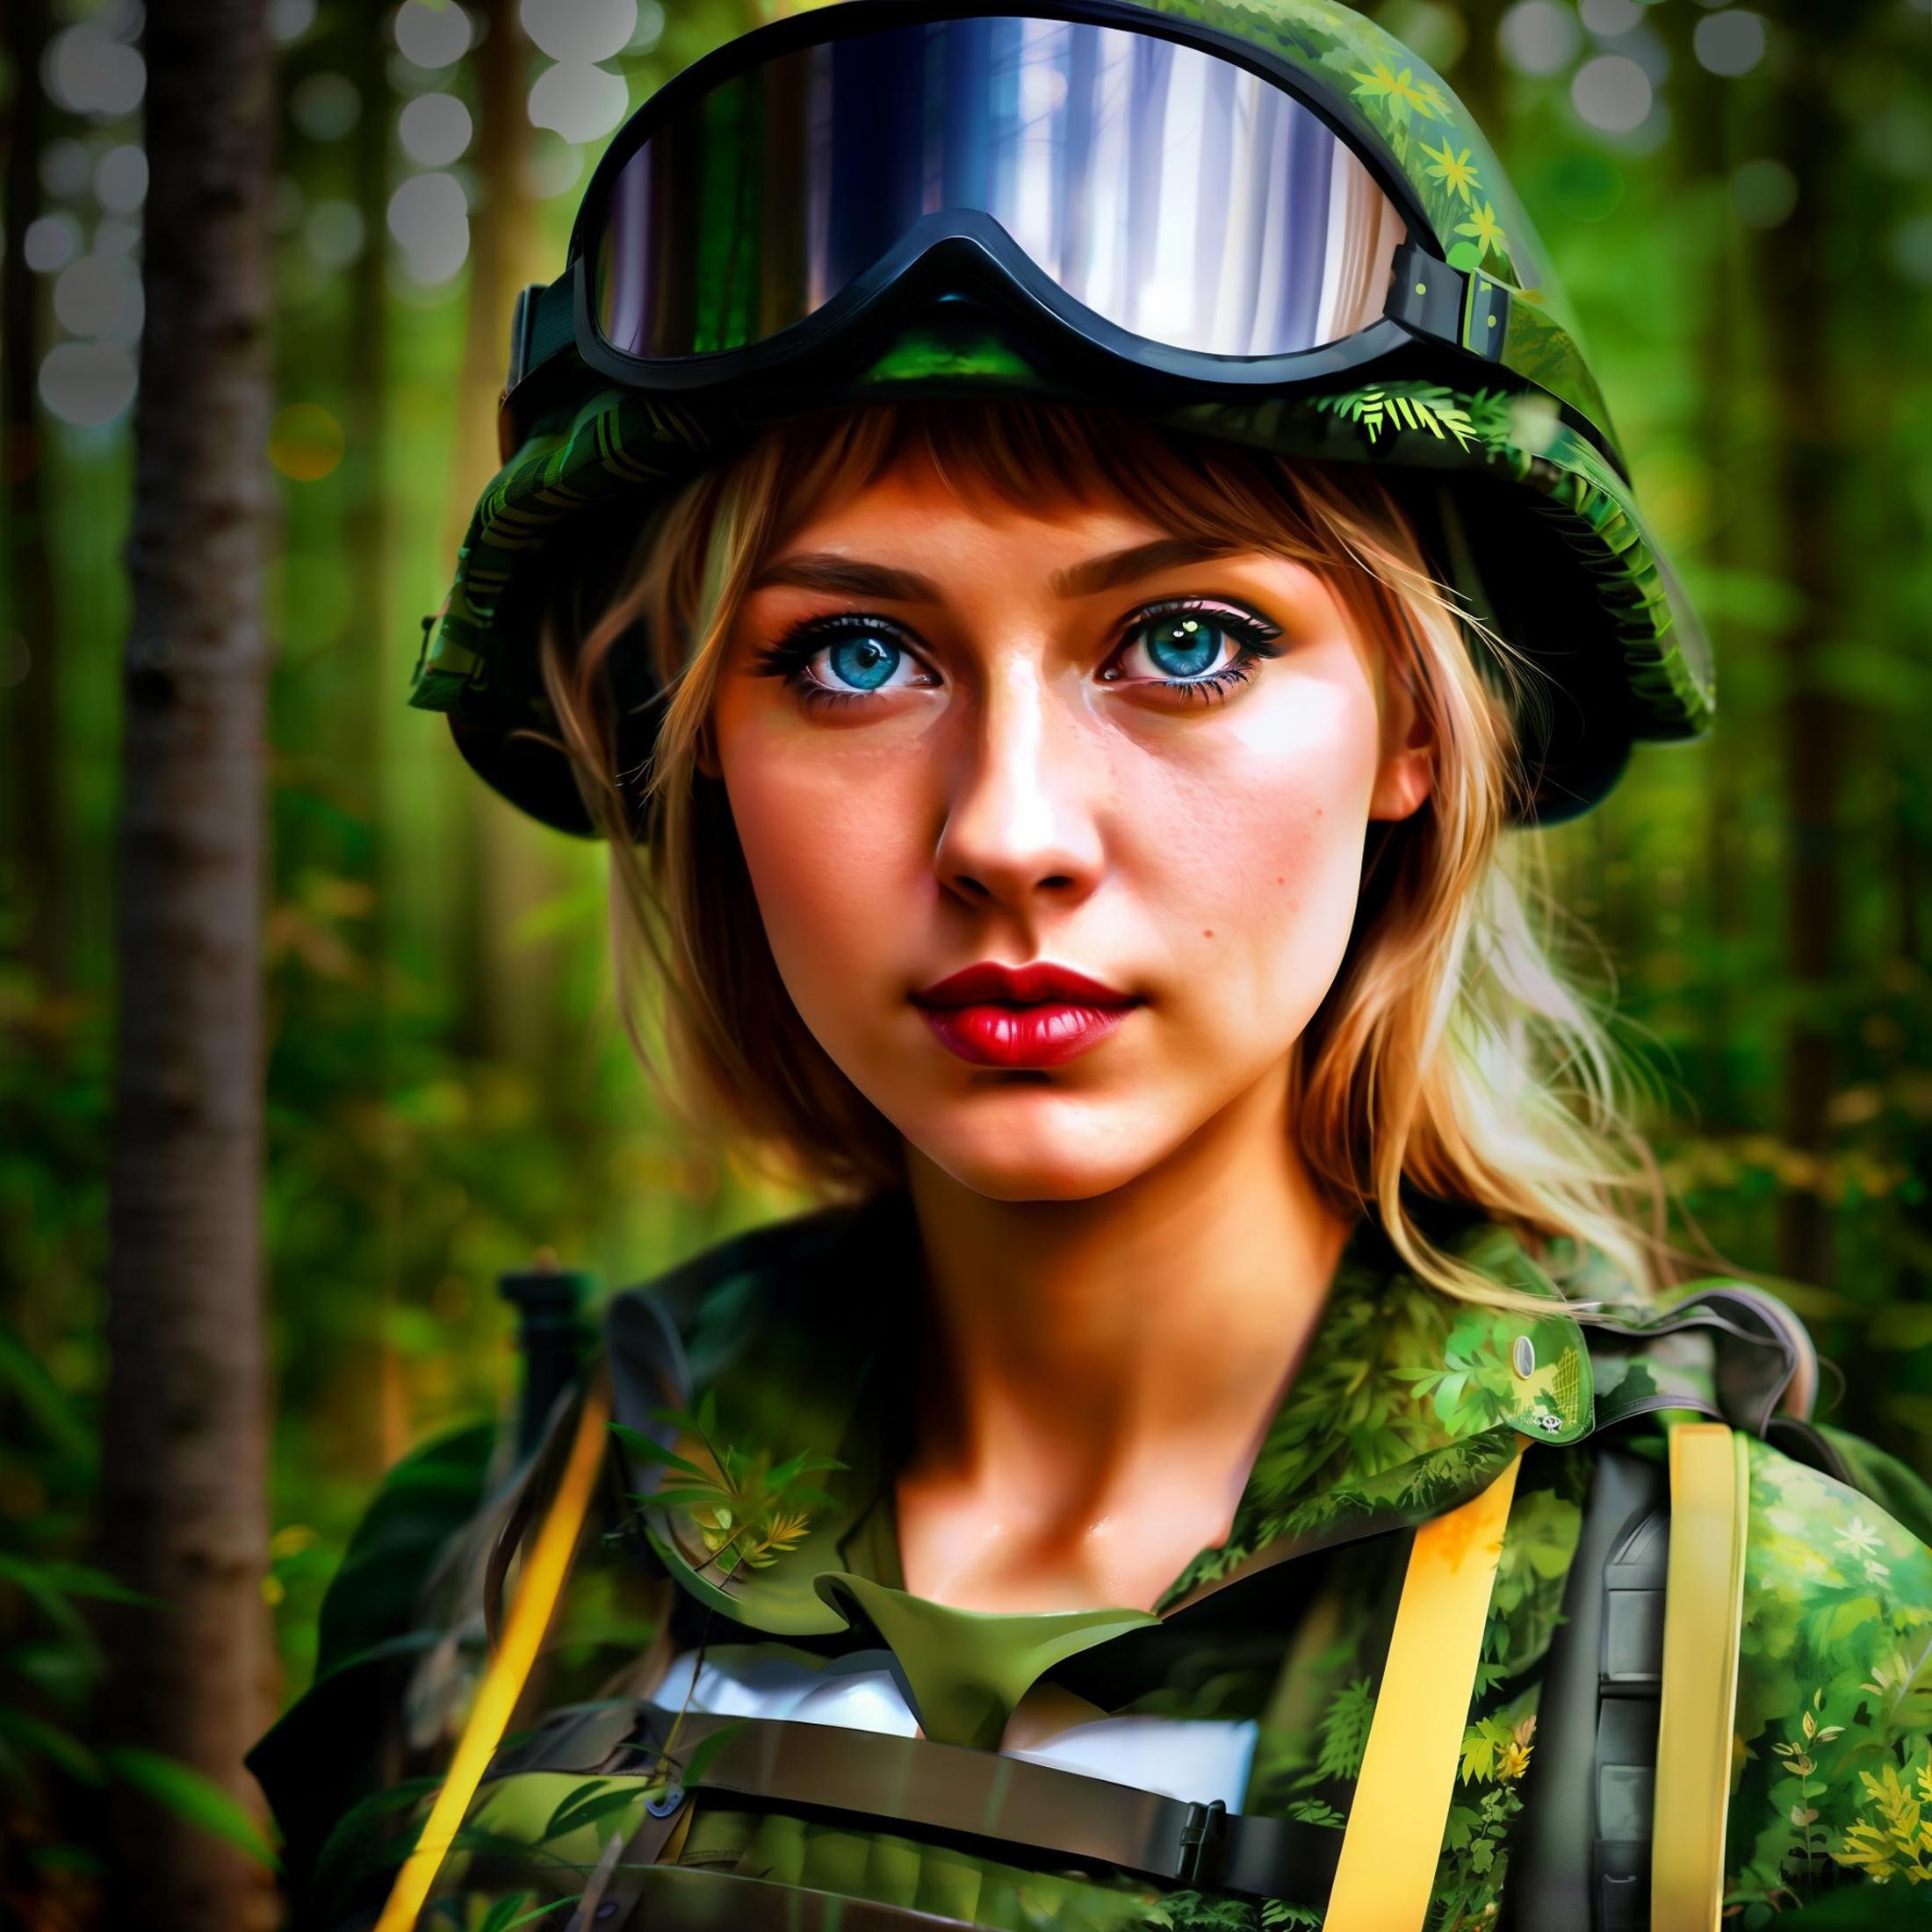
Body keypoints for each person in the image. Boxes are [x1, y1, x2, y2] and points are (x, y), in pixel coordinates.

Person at [248, 4, 1932, 1929]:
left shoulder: (1773, 1669)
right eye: (852, 655)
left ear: (1414, 724)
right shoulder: (492, 1563)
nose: (1007, 830)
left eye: (1189, 637)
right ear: (695, 741)